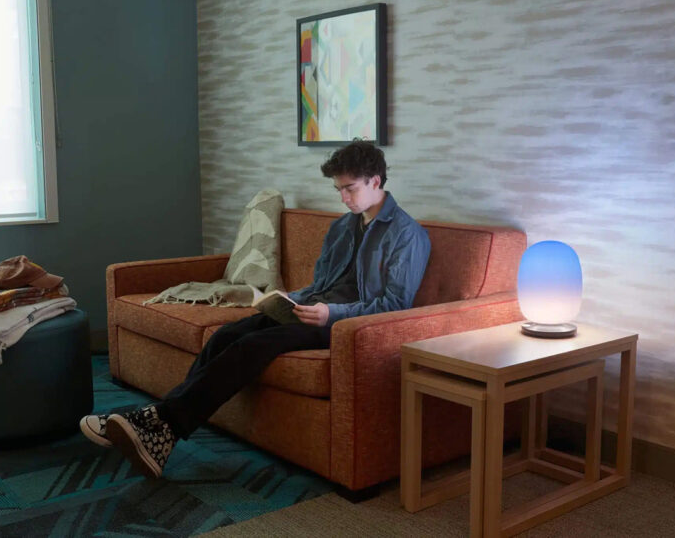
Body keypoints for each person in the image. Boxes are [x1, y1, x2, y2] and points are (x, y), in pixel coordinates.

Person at [79, 139, 431, 478]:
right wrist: (287, 298)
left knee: (251, 346)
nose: (343, 197)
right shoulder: (342, 226)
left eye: (350, 188)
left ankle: (158, 425)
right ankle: (161, 429)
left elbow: (394, 304)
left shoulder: (407, 235)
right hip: (310, 310)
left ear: (375, 180)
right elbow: (321, 285)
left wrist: (330, 314)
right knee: (226, 334)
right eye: (338, 189)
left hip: (343, 325)